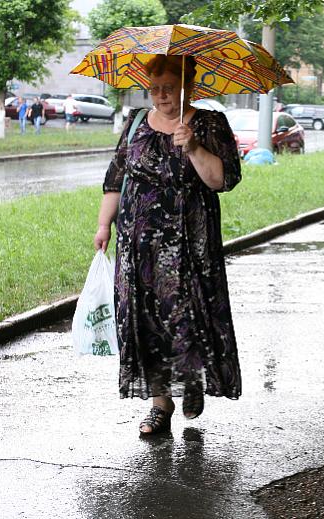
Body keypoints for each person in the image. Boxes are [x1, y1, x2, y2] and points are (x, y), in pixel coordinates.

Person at [93, 54, 242, 436]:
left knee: (187, 314)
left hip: (190, 242)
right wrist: (103, 224)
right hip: (138, 243)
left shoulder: (210, 123)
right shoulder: (137, 122)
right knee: (146, 319)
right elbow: (116, 177)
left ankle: (193, 383)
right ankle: (161, 405)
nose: (160, 95)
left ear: (188, 86)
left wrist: (193, 148)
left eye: (169, 88)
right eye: (155, 87)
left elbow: (221, 180)